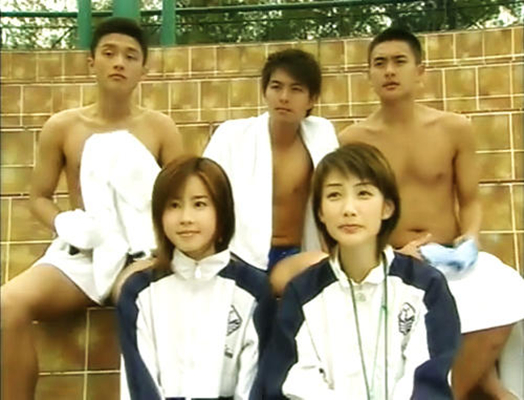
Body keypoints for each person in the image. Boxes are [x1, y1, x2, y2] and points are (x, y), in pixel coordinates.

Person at [0, 17, 183, 400]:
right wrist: (67, 224)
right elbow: (38, 197)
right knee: (7, 304)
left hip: (142, 252)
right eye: (109, 53)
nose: (119, 62)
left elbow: (182, 195)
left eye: (130, 56)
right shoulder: (62, 127)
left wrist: (161, 249)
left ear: (144, 69)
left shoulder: (161, 128)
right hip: (85, 250)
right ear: (91, 62)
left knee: (141, 300)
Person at [337, 27, 524, 399]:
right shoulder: (353, 141)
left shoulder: (454, 129)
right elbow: (350, 210)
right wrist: (385, 254)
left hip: (450, 257)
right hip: (391, 262)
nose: (390, 71)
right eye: (380, 63)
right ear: (369, 74)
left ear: (420, 71)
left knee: (507, 292)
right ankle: (481, 387)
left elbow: (470, 201)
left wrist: (469, 241)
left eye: (399, 62)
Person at [258, 143, 461, 399]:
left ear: (387, 207)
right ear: (320, 212)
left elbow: (428, 377)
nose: (349, 209)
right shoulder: (301, 293)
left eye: (363, 193)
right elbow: (291, 381)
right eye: (334, 195)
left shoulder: (425, 286)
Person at [117, 156, 271, 399]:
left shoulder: (253, 289)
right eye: (174, 205)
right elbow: (138, 381)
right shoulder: (138, 292)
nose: (185, 218)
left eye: (199, 204)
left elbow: (255, 382)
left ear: (222, 212)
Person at [203, 48, 339, 272]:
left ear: (312, 99)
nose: (284, 97)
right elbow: (205, 193)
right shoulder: (231, 136)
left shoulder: (322, 136)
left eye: (296, 89)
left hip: (298, 254)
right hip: (241, 255)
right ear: (265, 91)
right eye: (276, 87)